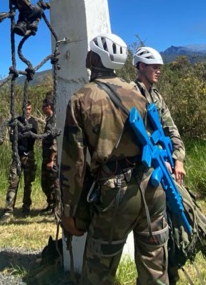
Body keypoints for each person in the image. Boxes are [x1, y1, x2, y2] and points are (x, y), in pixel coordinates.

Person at [60, 32, 169, 285]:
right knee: (155, 265)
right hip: (152, 185)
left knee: (98, 271)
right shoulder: (138, 93)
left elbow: (73, 162)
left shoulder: (81, 99)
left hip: (115, 193)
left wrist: (69, 210)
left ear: (95, 59)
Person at [133, 46, 186, 184]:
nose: (159, 71)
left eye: (159, 68)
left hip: (164, 157)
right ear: (142, 66)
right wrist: (159, 158)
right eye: (155, 67)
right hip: (143, 161)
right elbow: (136, 133)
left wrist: (178, 158)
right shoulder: (131, 95)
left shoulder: (156, 97)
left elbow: (171, 127)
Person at [2, 103, 39, 222]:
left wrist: (29, 132)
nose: (27, 111)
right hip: (17, 155)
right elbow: (12, 137)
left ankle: (26, 207)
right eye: (25, 109)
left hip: (29, 155)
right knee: (13, 183)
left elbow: (35, 136)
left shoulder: (34, 122)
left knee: (28, 183)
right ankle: (8, 210)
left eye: (29, 109)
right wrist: (21, 133)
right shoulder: (17, 121)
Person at [39, 96, 60, 215]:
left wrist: (52, 159)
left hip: (52, 158)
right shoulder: (49, 119)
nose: (42, 108)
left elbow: (55, 141)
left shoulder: (54, 121)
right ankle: (50, 204)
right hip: (46, 156)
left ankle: (56, 208)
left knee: (54, 183)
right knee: (45, 183)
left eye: (43, 106)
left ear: (49, 107)